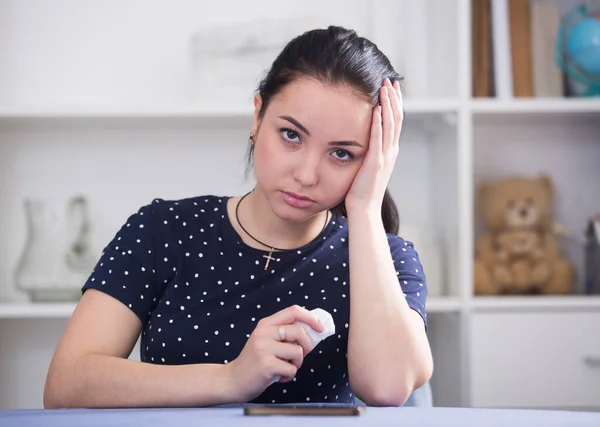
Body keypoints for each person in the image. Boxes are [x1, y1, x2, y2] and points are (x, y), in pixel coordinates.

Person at [43, 25, 433, 409]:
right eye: (291, 135)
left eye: (342, 153)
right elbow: (67, 383)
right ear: (258, 116)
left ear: (373, 159)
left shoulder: (389, 258)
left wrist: (365, 207)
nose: (306, 174)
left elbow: (388, 387)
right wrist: (230, 377)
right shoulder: (162, 230)